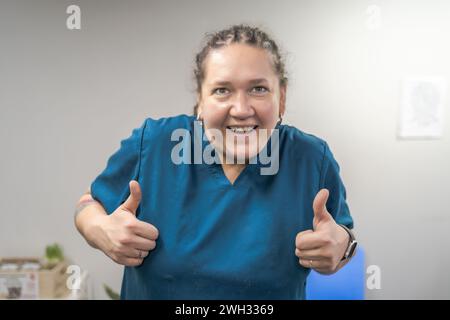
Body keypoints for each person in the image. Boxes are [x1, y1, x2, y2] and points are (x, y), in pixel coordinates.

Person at [74, 24, 357, 300]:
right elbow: (89, 202)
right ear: (200, 100)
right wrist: (101, 229)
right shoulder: (156, 143)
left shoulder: (311, 159)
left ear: (281, 98)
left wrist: (342, 246)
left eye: (258, 89)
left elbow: (343, 236)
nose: (242, 109)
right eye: (222, 90)